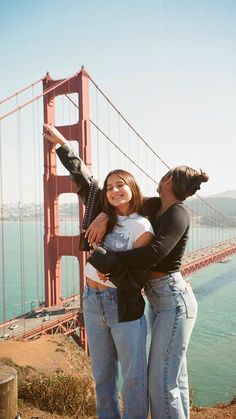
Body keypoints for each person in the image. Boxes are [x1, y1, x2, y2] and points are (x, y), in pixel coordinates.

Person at [43, 123, 154, 419]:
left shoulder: (142, 227)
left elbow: (134, 279)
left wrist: (106, 263)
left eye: (121, 184)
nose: (115, 190)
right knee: (102, 376)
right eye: (110, 187)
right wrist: (64, 145)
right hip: (92, 301)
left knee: (133, 379)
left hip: (123, 307)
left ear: (133, 188)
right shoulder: (98, 212)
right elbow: (83, 176)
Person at [88, 166, 209, 419]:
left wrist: (110, 259)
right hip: (158, 298)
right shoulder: (157, 207)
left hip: (173, 299)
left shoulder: (178, 213)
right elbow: (123, 201)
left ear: (168, 181)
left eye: (164, 174)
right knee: (176, 379)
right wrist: (101, 215)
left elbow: (155, 253)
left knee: (162, 381)